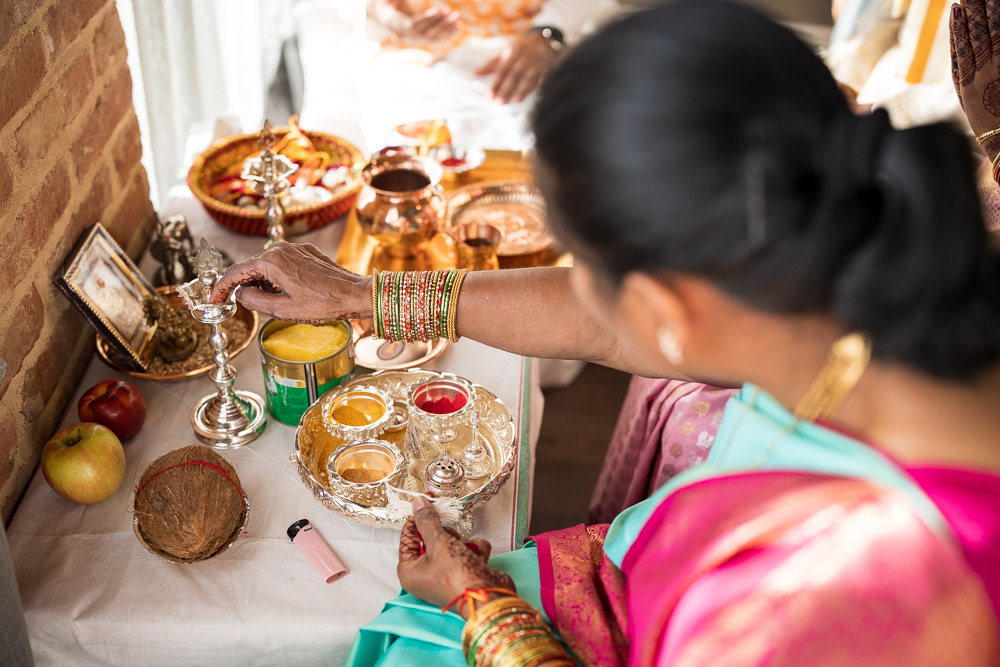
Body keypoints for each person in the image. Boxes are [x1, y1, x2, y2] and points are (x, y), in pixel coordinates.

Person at [215, 2, 1000, 663]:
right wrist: (361, 294)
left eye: (582, 264)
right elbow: (598, 317)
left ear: (668, 312)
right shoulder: (872, 289)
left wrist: (480, 604)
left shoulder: (816, 590)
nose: (579, 291)